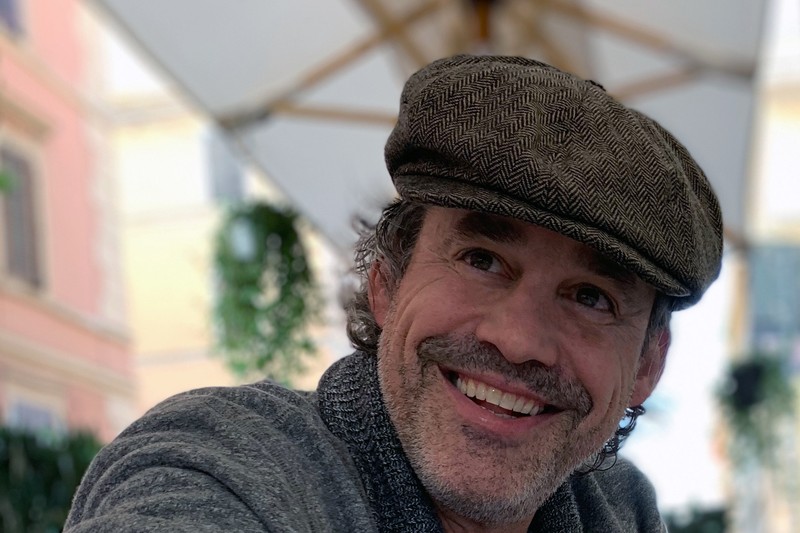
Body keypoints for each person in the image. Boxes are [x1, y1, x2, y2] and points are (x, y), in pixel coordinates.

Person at [65, 55, 722, 533]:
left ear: (646, 367)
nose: (519, 337)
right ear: (385, 281)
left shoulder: (615, 507)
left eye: (591, 296)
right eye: (483, 258)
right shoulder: (224, 462)